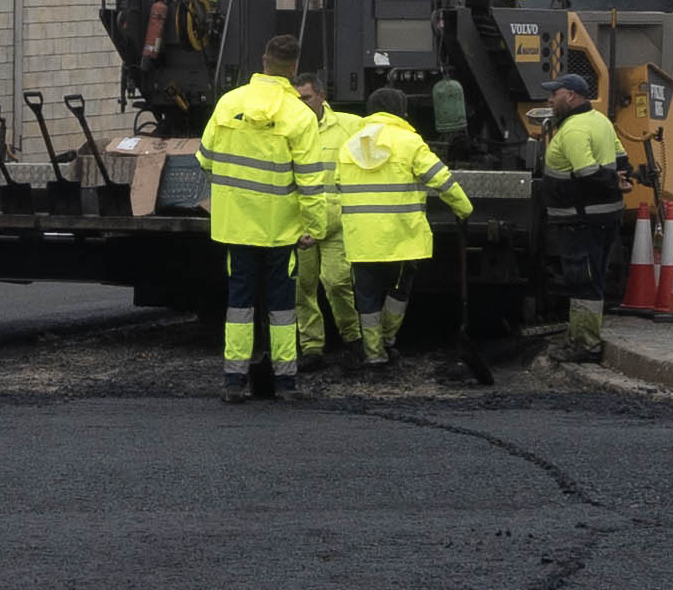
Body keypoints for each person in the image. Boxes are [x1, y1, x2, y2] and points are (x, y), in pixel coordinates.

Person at [196, 22, 336, 402]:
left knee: (239, 303)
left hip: (236, 226)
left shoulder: (229, 103)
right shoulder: (300, 116)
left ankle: (234, 381)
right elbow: (310, 181)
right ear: (294, 68)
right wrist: (314, 228)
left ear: (264, 61)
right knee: (282, 307)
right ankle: (286, 382)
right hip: (280, 229)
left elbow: (205, 159)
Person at [325, 85, 477, 369]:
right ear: (401, 112)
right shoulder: (409, 142)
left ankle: (373, 354)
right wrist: (463, 208)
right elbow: (441, 179)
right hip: (402, 238)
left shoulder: (349, 146)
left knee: (367, 296)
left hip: (362, 240)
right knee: (399, 290)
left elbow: (337, 184)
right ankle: (388, 339)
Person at [536, 62, 630, 359]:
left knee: (582, 281)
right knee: (593, 279)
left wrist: (614, 181)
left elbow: (586, 171)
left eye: (555, 95)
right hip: (603, 218)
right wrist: (621, 179)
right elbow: (622, 158)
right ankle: (581, 338)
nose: (550, 100)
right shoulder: (600, 121)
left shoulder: (574, 129)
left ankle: (585, 345)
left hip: (581, 220)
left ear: (571, 96)